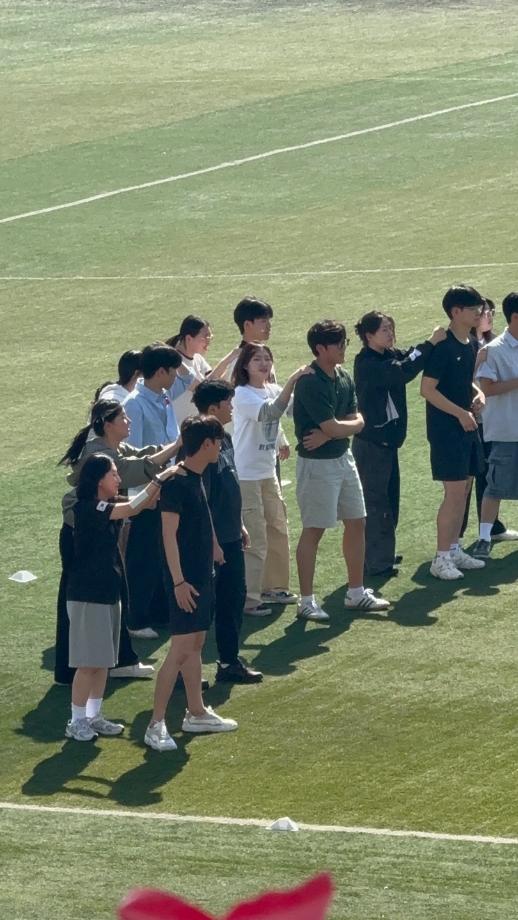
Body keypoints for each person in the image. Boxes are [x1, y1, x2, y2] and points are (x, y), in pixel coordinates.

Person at [56, 399, 181, 683]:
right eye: (123, 417)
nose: (129, 421)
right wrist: (164, 473)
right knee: (82, 600)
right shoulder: (98, 456)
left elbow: (143, 457)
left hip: (96, 534)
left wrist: (173, 448)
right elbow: (132, 475)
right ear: (107, 423)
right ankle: (78, 667)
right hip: (83, 537)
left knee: (114, 592)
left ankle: (117, 659)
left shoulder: (114, 449)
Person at [144, 417, 238, 752]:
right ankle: (155, 724)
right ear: (207, 444)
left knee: (196, 643)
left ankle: (196, 712)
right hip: (184, 580)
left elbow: (203, 512)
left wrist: (214, 544)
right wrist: (179, 582)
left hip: (200, 574)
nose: (221, 447)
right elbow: (168, 536)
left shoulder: (197, 475)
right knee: (181, 649)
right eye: (218, 441)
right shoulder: (175, 483)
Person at [66, 453, 170, 741]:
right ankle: (76, 721)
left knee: (103, 660)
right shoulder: (89, 507)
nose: (118, 478)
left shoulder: (107, 505)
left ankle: (93, 716)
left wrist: (160, 488)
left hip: (108, 592)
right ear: (99, 480)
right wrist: (161, 477)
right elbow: (134, 506)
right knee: (88, 662)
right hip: (88, 595)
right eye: (113, 473)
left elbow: (142, 504)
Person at [293, 320, 390, 621]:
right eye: (338, 343)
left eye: (344, 342)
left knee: (357, 522)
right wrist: (335, 430)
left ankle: (356, 592)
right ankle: (306, 601)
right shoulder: (310, 382)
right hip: (317, 465)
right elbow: (338, 425)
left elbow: (358, 420)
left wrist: (331, 433)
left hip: (342, 458)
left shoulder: (343, 376)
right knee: (314, 529)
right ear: (320, 349)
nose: (343, 348)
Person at [352, 311, 446, 575]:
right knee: (376, 504)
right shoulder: (367, 363)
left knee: (389, 502)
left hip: (387, 444)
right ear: (369, 335)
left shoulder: (387, 354)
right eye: (384, 330)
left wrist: (428, 347)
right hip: (372, 446)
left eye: (391, 328)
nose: (390, 333)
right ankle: (376, 562)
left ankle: (382, 553)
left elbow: (408, 356)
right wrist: (431, 343)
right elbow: (403, 371)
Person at [191, 379, 263, 683]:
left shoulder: (225, 439)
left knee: (233, 599)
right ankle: (184, 670)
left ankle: (229, 662)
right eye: (227, 403)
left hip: (231, 535)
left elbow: (227, 487)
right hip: (212, 541)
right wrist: (214, 542)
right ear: (212, 408)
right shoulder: (199, 445)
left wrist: (240, 524)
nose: (232, 408)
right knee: (201, 609)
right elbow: (201, 499)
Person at [232, 343, 310, 615]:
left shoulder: (272, 389)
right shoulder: (241, 393)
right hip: (246, 475)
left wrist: (281, 439)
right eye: (257, 359)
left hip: (267, 472)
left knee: (278, 528)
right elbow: (268, 413)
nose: (264, 363)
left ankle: (275, 587)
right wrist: (293, 379)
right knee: (254, 536)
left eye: (267, 358)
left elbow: (291, 409)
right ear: (245, 365)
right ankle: (250, 598)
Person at [421, 285, 487, 580]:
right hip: (447, 431)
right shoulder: (444, 346)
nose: (480, 313)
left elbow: (463, 381)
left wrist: (478, 394)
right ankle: (441, 558)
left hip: (467, 427)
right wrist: (460, 413)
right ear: (456, 312)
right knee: (454, 493)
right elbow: (427, 389)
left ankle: (454, 548)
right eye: (473, 309)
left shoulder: (470, 343)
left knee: (465, 489)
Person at [123, 343, 186, 637]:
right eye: (173, 371)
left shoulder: (164, 397)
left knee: (163, 552)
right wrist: (148, 491)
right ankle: (136, 619)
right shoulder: (134, 405)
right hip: (146, 492)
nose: (176, 376)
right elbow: (132, 457)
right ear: (160, 371)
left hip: (167, 485)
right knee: (143, 557)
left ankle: (159, 612)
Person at [460, 299, 517, 542]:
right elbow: (484, 387)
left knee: (488, 480)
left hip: (496, 424)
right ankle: (468, 538)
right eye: (483, 312)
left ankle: (490, 531)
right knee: (486, 484)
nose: (487, 316)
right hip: (493, 426)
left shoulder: (491, 344)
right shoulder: (491, 348)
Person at [166, 315, 213, 426]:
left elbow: (213, 382)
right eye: (205, 337)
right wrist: (232, 356)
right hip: (178, 428)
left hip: (195, 426)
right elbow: (201, 389)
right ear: (188, 338)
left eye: (210, 337)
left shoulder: (198, 358)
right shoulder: (172, 365)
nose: (209, 341)